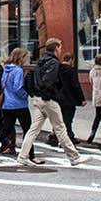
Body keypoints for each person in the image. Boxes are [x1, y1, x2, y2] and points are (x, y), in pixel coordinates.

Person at [16, 38, 88, 167]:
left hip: (38, 99)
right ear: (56, 48)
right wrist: (52, 93)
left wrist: (34, 92)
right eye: (60, 47)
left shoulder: (40, 61)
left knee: (34, 129)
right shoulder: (54, 63)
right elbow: (48, 81)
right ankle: (74, 157)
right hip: (48, 99)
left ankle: (22, 156)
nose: (61, 50)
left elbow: (31, 78)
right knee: (60, 127)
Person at [0, 48, 32, 160]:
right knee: (28, 130)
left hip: (7, 104)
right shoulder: (18, 70)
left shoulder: (6, 69)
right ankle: (30, 155)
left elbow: (2, 84)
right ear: (20, 58)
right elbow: (18, 87)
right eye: (25, 57)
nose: (25, 60)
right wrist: (26, 95)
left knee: (5, 129)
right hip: (19, 104)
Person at [55, 53, 84, 145]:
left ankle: (61, 135)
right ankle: (68, 136)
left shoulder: (57, 69)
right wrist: (81, 99)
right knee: (68, 118)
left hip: (59, 97)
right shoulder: (71, 71)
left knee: (61, 118)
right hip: (69, 98)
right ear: (71, 60)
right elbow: (76, 85)